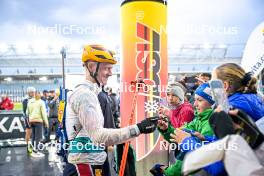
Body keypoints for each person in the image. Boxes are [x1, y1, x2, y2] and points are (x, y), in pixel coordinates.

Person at [63, 44, 157, 176]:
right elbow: (98, 137)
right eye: (107, 68)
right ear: (91, 67)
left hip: (92, 163)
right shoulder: (85, 95)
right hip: (85, 167)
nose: (111, 73)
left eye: (111, 68)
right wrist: (138, 128)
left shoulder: (92, 93)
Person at [153, 83, 221, 176]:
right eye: (168, 95)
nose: (195, 104)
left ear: (211, 103)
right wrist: (166, 129)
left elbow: (195, 156)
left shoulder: (210, 123)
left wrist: (169, 171)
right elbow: (179, 134)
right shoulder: (198, 118)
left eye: (200, 100)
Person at [27, 91, 49, 156]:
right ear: (38, 95)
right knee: (38, 136)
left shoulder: (30, 101)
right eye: (40, 94)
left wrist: (29, 120)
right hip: (38, 120)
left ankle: (32, 149)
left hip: (31, 120)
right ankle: (36, 150)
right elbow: (44, 113)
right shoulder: (41, 102)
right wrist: (46, 122)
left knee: (33, 136)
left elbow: (27, 112)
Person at [22, 86, 36, 154]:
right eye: (32, 92)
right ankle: (28, 145)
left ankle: (33, 145)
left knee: (34, 133)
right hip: (28, 118)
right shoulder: (25, 100)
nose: (33, 93)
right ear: (29, 93)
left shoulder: (35, 99)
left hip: (35, 118)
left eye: (34, 92)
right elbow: (25, 111)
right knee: (28, 131)